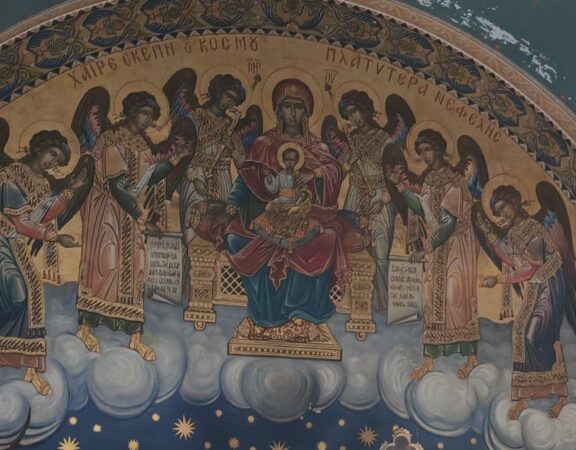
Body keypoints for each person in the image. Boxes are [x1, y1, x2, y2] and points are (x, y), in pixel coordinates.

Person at [222, 78, 349, 342]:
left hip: (307, 214)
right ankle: (266, 317)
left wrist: (315, 173)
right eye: (287, 106)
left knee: (326, 239)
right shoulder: (264, 144)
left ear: (307, 112)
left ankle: (300, 316)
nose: (292, 112)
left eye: (298, 107)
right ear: (278, 110)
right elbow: (247, 178)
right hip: (269, 214)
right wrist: (233, 200)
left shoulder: (318, 148)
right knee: (236, 238)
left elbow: (333, 173)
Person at [76, 92, 191, 361]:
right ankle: (84, 328)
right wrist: (141, 217)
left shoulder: (141, 144)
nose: (148, 121)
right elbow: (117, 186)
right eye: (144, 114)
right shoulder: (110, 140)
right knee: (106, 265)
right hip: (107, 214)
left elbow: (147, 178)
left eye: (152, 117)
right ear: (131, 111)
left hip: (129, 216)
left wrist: (175, 160)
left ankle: (135, 338)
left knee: (135, 269)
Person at [386, 128, 480, 380]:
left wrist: (427, 247)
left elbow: (449, 223)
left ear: (438, 149)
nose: (425, 156)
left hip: (456, 247)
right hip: (436, 249)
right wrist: (400, 187)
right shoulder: (428, 181)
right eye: (420, 152)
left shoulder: (456, 181)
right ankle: (428, 361)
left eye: (427, 150)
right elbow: (422, 209)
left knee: (455, 298)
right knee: (430, 301)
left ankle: (471, 358)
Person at [0, 130, 82, 395]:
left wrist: (69, 192)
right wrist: (56, 237)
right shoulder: (9, 176)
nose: (53, 162)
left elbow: (41, 215)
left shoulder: (44, 185)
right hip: (2, 240)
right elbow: (22, 223)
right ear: (39, 148)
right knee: (17, 292)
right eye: (52, 154)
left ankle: (30, 371)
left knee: (33, 296)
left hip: (15, 245)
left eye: (59, 161)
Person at [480, 186, 571, 419]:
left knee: (536, 336)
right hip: (536, 286)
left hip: (549, 284)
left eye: (504, 207)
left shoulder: (534, 228)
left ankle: (560, 395)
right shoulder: (513, 232)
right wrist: (489, 233)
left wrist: (499, 279)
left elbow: (529, 270)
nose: (502, 214)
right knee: (520, 334)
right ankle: (523, 397)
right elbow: (512, 259)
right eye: (498, 211)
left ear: (515, 201)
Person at [337, 90, 396, 314]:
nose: (353, 118)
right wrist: (347, 164)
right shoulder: (350, 142)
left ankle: (382, 304)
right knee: (352, 248)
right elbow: (339, 173)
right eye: (348, 115)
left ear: (365, 109)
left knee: (380, 252)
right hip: (355, 196)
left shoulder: (384, 140)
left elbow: (396, 177)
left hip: (379, 197)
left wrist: (384, 199)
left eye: (355, 112)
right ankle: (353, 304)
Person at [178, 74, 246, 245]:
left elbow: (244, 166)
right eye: (228, 96)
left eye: (234, 100)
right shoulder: (194, 118)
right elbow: (180, 155)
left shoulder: (230, 128)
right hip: (194, 177)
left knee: (220, 231)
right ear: (218, 92)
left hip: (223, 182)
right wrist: (195, 179)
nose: (230, 102)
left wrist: (232, 148)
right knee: (193, 231)